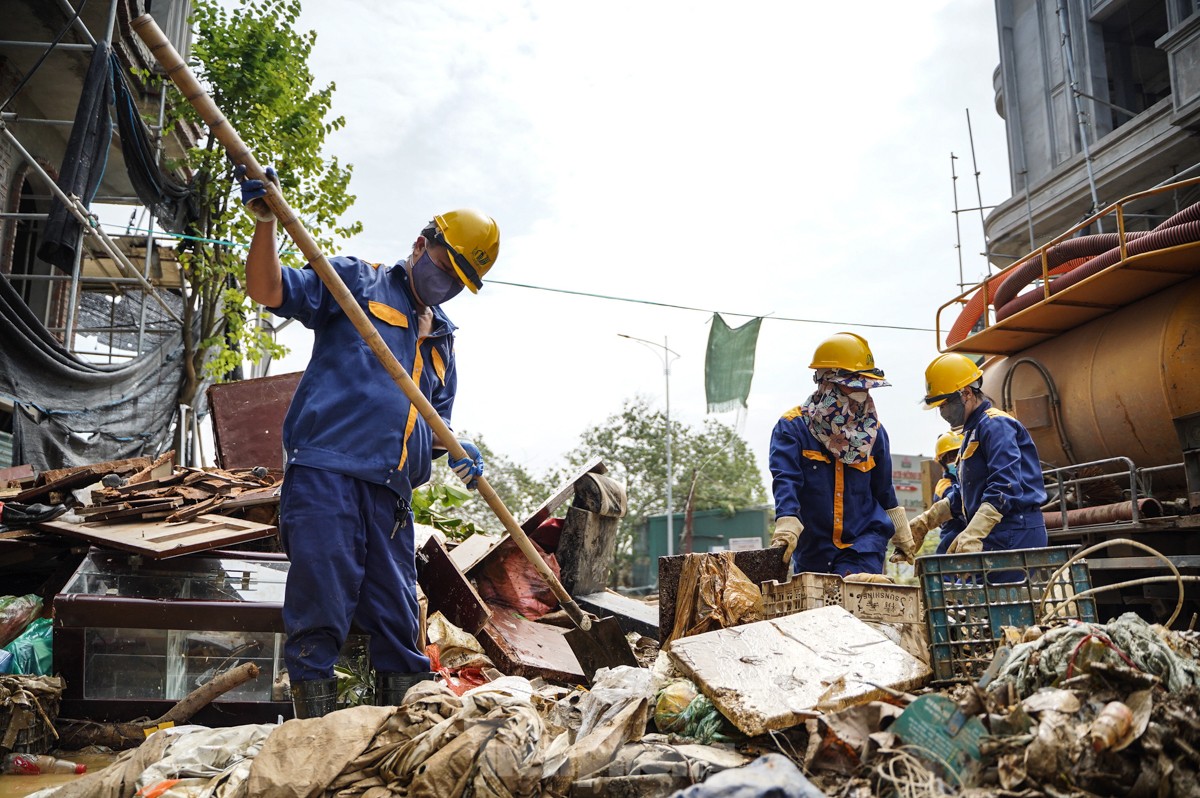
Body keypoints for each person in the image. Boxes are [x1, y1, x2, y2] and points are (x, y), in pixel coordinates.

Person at [236, 165, 499, 718]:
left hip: (390, 495)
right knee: (321, 604)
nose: (447, 284)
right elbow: (268, 288)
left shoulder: (443, 345)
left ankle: (396, 737)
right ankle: (317, 738)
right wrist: (265, 224)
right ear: (420, 244)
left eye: (459, 281)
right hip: (327, 476)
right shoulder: (357, 282)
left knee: (398, 616)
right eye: (444, 267)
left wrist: (458, 452)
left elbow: (432, 429)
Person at [768, 332, 917, 579]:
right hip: (814, 549)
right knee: (820, 614)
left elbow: (883, 490)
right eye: (853, 386)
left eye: (865, 386)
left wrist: (901, 529)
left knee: (852, 595)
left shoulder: (875, 433)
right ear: (827, 382)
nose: (861, 394)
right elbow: (786, 480)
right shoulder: (792, 428)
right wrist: (787, 520)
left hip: (864, 544)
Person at [920, 353, 1048, 555]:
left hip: (1014, 531)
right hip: (995, 532)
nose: (943, 412)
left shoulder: (995, 424)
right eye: (939, 407)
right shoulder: (972, 432)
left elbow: (1005, 486)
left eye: (945, 404)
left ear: (967, 393)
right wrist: (926, 521)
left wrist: (973, 533)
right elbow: (966, 494)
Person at [908, 431, 966, 554]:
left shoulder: (968, 481)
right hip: (951, 540)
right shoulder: (944, 486)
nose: (955, 460)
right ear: (942, 462)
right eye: (950, 457)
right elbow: (958, 502)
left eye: (957, 455)